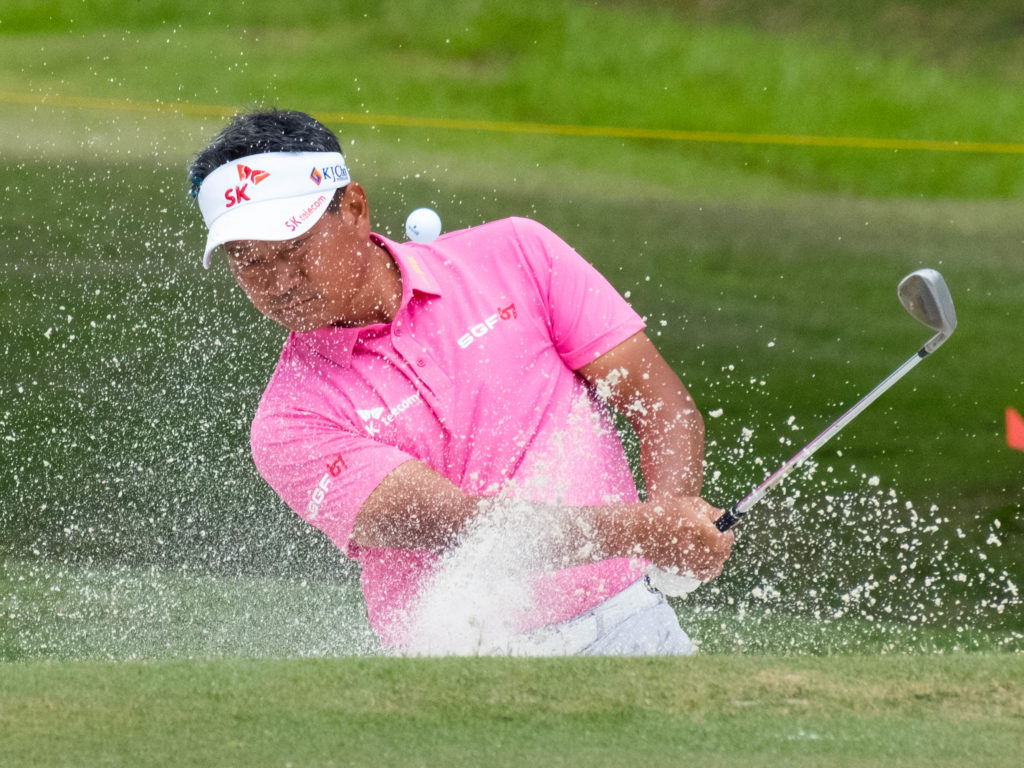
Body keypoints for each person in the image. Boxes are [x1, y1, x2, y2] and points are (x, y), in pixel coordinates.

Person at [188, 108, 733, 655]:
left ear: (354, 207)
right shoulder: (289, 422)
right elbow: (468, 531)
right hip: (460, 666)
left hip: (630, 621)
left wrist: (675, 520)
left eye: (295, 249)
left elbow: (658, 402)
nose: (280, 282)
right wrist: (647, 529)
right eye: (249, 261)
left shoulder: (518, 252)